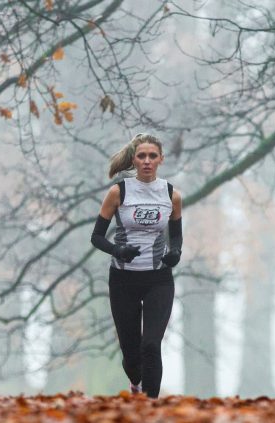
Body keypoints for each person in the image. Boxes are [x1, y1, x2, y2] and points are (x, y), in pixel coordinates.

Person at [90, 133, 183, 399]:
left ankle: (150, 407)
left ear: (161, 159)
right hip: (123, 280)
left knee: (151, 346)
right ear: (134, 159)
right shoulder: (118, 192)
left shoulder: (171, 194)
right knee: (132, 356)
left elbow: (176, 236)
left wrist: (175, 253)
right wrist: (117, 250)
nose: (147, 161)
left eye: (152, 156)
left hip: (158, 280)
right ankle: (136, 383)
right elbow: (96, 237)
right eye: (142, 156)